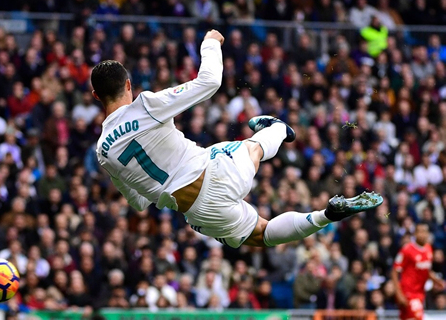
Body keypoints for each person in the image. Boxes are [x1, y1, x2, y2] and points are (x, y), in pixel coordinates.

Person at [91, 29, 383, 249]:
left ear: (96, 96)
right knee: (252, 147)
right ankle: (278, 129)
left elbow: (139, 202)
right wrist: (209, 42)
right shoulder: (146, 105)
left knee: (261, 235)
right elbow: (210, 82)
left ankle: (325, 216)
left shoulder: (103, 151)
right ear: (128, 84)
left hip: (197, 210)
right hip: (214, 173)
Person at [391, 223, 446, 320]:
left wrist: (437, 281)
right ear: (415, 234)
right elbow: (395, 271)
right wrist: (398, 293)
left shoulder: (428, 249)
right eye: (420, 232)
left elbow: (426, 270)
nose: (423, 234)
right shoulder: (407, 250)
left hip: (420, 292)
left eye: (425, 232)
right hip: (408, 292)